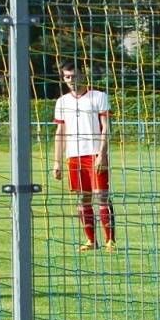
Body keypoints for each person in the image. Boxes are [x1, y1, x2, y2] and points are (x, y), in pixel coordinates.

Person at [51, 61, 116, 252]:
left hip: (95, 153)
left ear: (83, 75)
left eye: (75, 75)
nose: (71, 80)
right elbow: (60, 131)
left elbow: (106, 127)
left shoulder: (98, 96)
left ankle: (110, 240)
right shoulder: (62, 102)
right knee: (83, 199)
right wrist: (57, 161)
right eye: (67, 77)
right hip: (74, 156)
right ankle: (91, 241)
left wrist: (102, 154)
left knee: (101, 197)